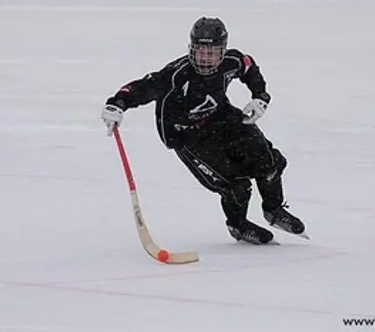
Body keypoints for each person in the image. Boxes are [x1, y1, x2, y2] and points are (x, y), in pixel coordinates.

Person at [101, 17, 307, 245]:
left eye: (212, 52)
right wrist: (117, 103)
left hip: (222, 118)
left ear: (223, 51)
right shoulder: (176, 75)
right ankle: (238, 225)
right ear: (191, 49)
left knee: (269, 163)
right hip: (186, 135)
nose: (205, 58)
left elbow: (248, 66)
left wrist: (260, 96)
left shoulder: (232, 61)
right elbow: (143, 87)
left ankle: (274, 209)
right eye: (200, 51)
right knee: (237, 186)